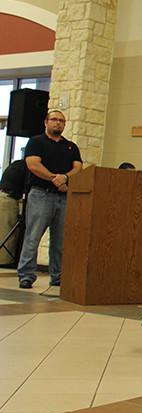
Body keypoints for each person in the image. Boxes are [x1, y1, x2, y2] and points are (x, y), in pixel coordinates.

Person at [18, 111, 83, 289]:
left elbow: (78, 167)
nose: (58, 123)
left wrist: (65, 178)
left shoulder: (71, 146)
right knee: (33, 236)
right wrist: (55, 178)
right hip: (41, 194)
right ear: (46, 122)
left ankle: (58, 276)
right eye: (54, 120)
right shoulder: (36, 142)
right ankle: (26, 275)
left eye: (62, 121)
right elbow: (33, 164)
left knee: (60, 240)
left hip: (63, 197)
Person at [0, 159, 27, 267]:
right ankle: (4, 262)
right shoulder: (25, 168)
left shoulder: (18, 165)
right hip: (9, 199)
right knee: (6, 232)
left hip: (7, 197)